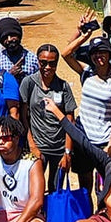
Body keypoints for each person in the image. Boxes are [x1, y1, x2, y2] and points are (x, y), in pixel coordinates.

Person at [62, 36, 111, 188]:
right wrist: (85, 34)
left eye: (103, 52)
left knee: (105, 186)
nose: (99, 56)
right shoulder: (87, 72)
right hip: (83, 136)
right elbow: (66, 54)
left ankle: (103, 212)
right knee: (85, 185)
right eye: (95, 53)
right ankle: (87, 212)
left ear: (109, 54)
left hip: (103, 140)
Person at [19, 44, 77, 192]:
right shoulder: (29, 83)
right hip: (38, 147)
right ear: (38, 62)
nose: (47, 67)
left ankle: (53, 215)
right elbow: (23, 117)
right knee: (35, 189)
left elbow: (70, 122)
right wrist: (32, 146)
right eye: (43, 62)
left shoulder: (63, 87)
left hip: (59, 148)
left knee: (55, 189)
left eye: (52, 63)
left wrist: (67, 152)